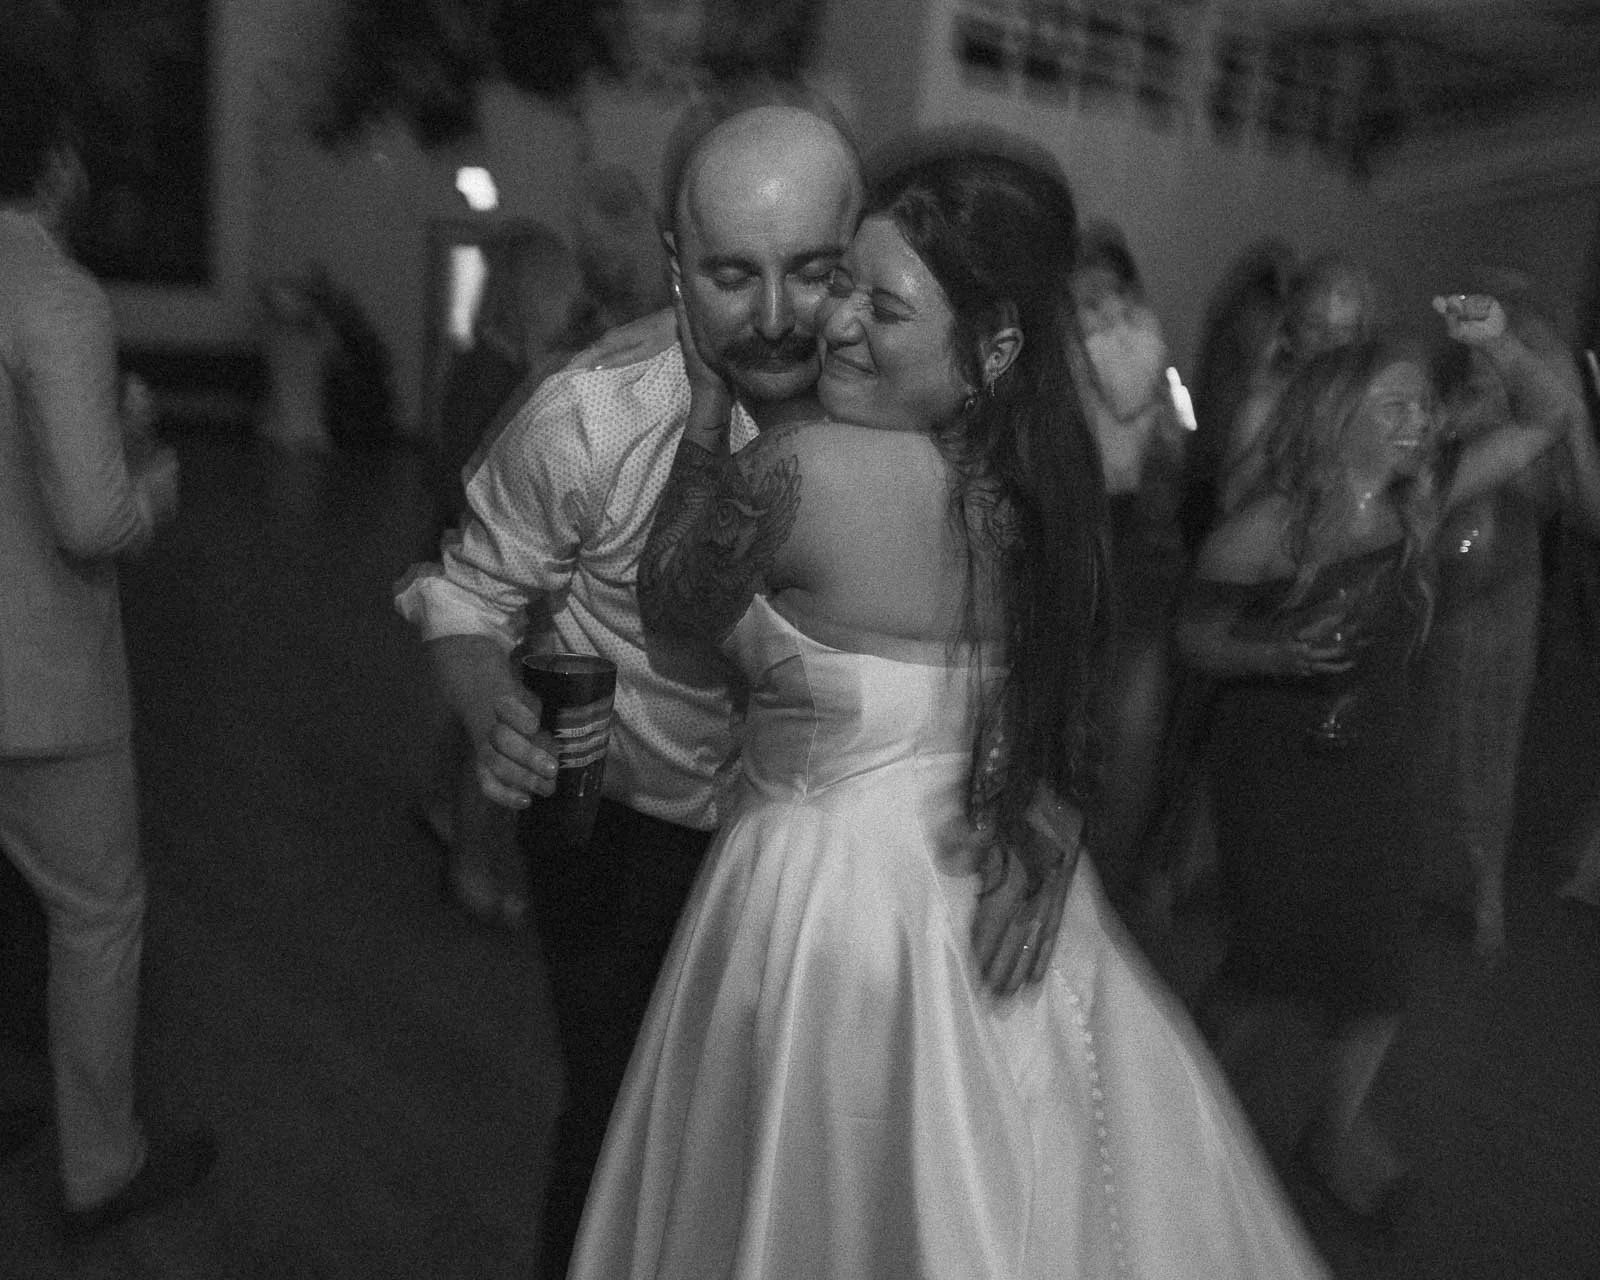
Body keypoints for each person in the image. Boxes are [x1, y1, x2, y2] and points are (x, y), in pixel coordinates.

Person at [569, 141, 1331, 1278]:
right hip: (1003, 899)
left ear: (995, 347)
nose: (835, 323)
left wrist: (707, 400)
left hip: (830, 913)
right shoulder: (1051, 500)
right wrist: (1053, 806)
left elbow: (672, 603)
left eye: (882, 307)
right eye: (843, 285)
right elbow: (1063, 702)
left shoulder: (804, 471)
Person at [394, 84, 870, 1278]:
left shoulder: (887, 416)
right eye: (732, 276)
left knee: (770, 1127)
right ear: (674, 263)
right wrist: (489, 705)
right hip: (619, 822)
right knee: (618, 1111)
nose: (776, 317)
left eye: (811, 272)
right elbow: (463, 591)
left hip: (801, 839)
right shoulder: (592, 417)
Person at [1177, 304, 1578, 1234]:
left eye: (1423, 406)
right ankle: (1182, 1106)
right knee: (1267, 963)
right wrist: (1274, 655)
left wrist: (1496, 339)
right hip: (1276, 772)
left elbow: (1549, 417)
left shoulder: (1419, 503)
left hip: (1377, 765)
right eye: (1394, 406)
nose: (1420, 422)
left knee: (1381, 967)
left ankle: (1333, 1132)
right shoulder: (1267, 531)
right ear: (1335, 418)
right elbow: (1194, 638)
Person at [0, 58, 214, 1240]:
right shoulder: (57, 294)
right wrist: (153, 480)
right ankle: (97, 1161)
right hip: (37, 682)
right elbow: (86, 520)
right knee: (96, 912)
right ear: (58, 164)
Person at [1068, 224, 1188, 898]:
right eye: (1081, 292)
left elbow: (1133, 396)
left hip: (1135, 531)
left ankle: (1111, 875)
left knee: (1129, 719)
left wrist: (1101, 330)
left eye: (1105, 289)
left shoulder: (1138, 340)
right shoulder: (1057, 347)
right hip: (1076, 523)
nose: (1094, 302)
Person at [1219, 253, 1383, 514]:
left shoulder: (1375, 410)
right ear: (1290, 333)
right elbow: (1232, 503)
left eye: (1345, 331)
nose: (1330, 344)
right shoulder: (1264, 407)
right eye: (1314, 327)